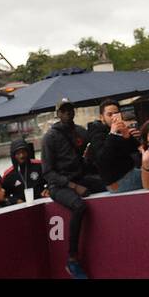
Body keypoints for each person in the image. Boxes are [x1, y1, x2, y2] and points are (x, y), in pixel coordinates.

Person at [41, 99, 106, 278]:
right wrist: (73, 186)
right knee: (79, 206)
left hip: (79, 177)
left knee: (107, 185)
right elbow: (47, 172)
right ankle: (72, 259)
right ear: (58, 114)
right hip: (58, 185)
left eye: (70, 110)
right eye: (63, 111)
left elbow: (86, 158)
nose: (67, 113)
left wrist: (90, 155)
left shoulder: (80, 132)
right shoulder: (49, 137)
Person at [91, 98, 143, 192]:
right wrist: (113, 133)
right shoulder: (97, 133)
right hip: (117, 181)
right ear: (102, 117)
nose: (113, 118)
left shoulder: (119, 130)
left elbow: (136, 150)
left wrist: (128, 136)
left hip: (130, 173)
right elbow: (102, 159)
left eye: (116, 114)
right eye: (109, 114)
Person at [1, 139, 45, 204]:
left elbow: (52, 181)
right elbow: (4, 196)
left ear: (28, 152)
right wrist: (15, 200)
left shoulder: (39, 165)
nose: (21, 155)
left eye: (23, 152)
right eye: (18, 153)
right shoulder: (8, 175)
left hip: (42, 203)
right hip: (21, 208)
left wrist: (47, 189)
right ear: (13, 155)